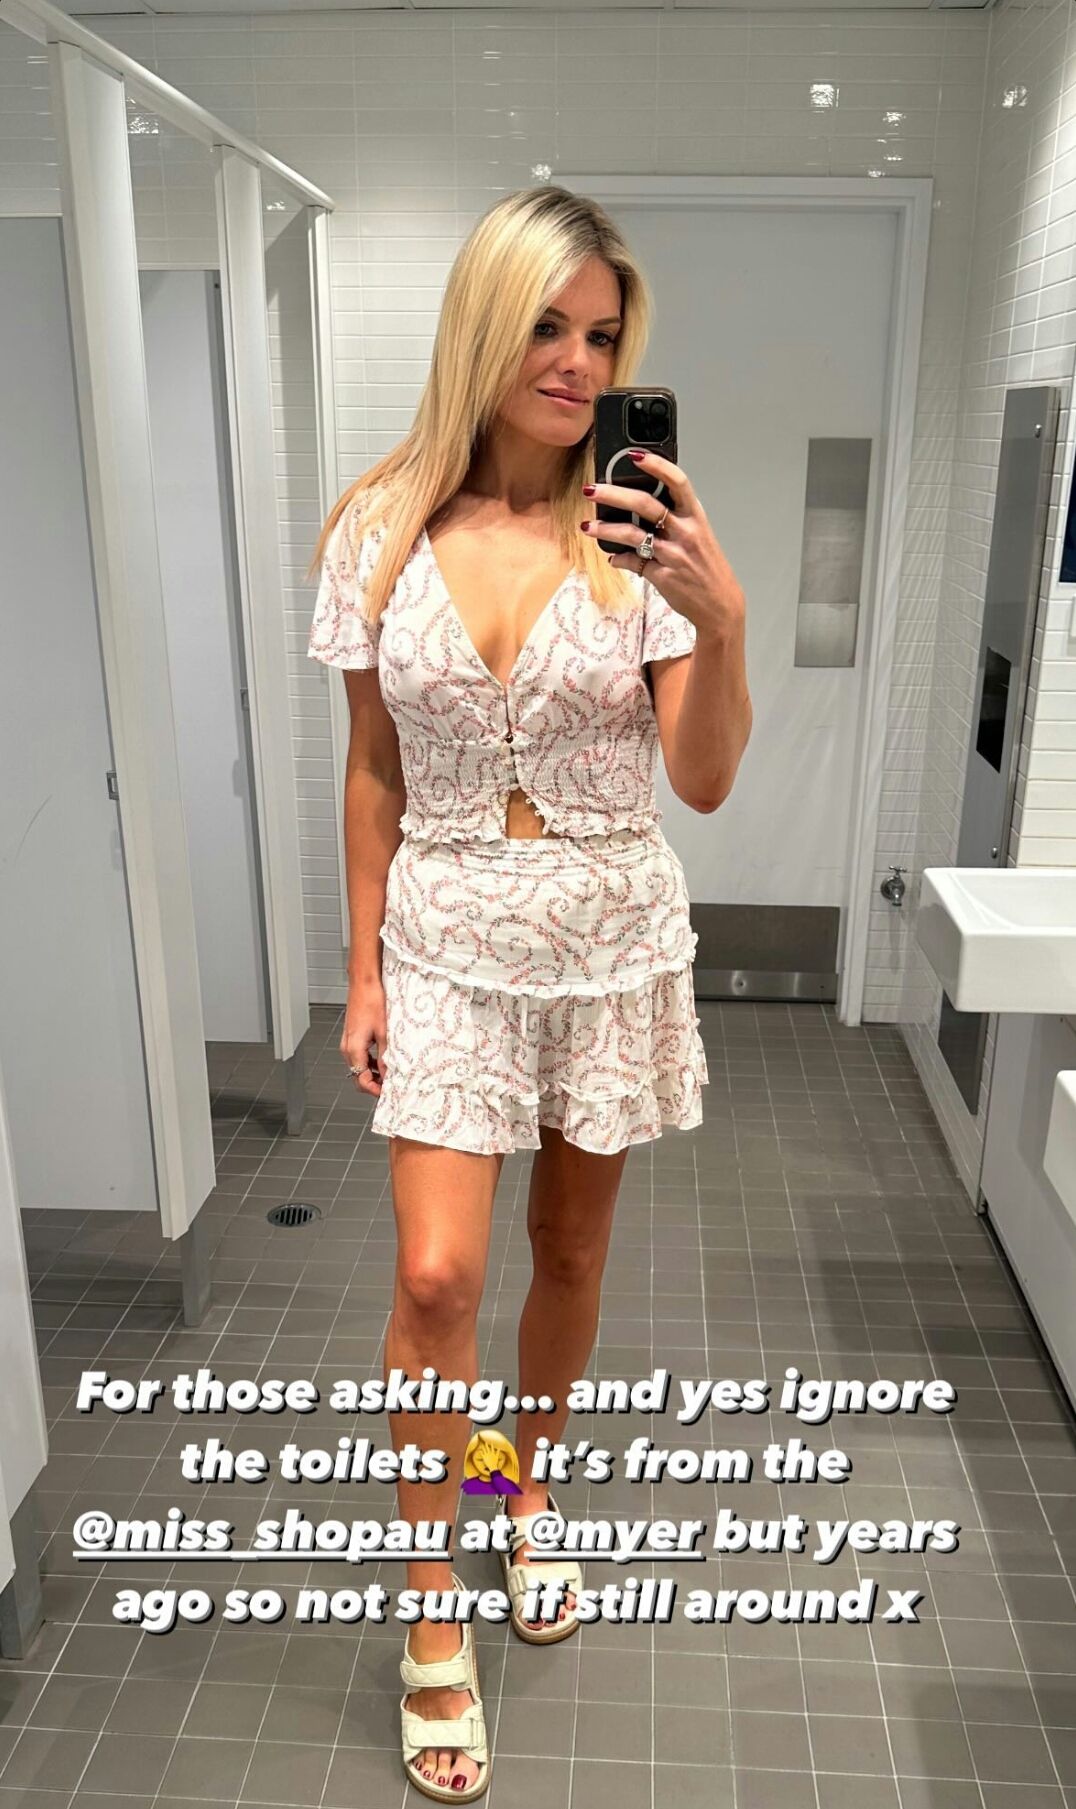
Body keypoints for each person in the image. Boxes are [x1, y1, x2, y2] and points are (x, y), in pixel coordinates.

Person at [307, 185, 750, 1802]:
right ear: (485, 328)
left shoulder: (641, 535)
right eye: (549, 327)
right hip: (443, 941)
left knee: (568, 1252)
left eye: (604, 336)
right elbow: (372, 766)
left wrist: (723, 620)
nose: (578, 363)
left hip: (608, 941)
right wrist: (359, 965)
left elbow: (702, 776)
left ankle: (520, 1492)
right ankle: (434, 1607)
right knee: (437, 1278)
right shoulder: (377, 528)